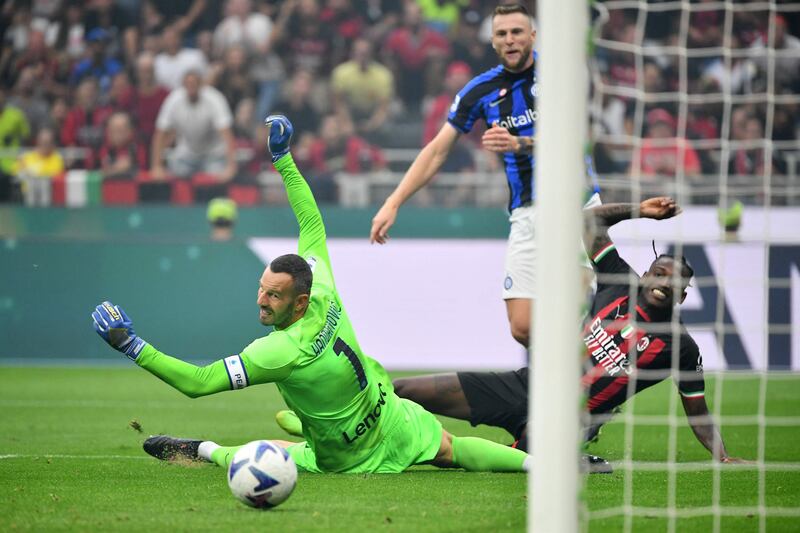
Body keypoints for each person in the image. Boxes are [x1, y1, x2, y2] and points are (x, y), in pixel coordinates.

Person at [92, 115, 532, 475]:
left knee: (258, 456)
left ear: (298, 303)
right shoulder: (320, 283)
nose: (262, 300)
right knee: (450, 449)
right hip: (387, 413)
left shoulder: (278, 351)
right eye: (262, 289)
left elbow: (197, 383)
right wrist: (282, 158)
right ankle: (541, 466)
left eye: (273, 296)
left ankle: (203, 449)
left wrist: (131, 345)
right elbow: (311, 222)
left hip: (346, 455)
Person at [384, 197, 745, 465]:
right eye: (659, 272)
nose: (664, 283)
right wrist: (641, 210)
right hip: (526, 386)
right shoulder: (620, 281)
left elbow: (697, 409)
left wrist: (724, 456)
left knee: (499, 462)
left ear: (683, 295)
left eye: (675, 281)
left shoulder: (681, 347)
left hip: (566, 420)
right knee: (402, 389)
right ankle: (366, 430)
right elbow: (586, 220)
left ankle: (569, 458)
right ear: (647, 272)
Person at [372, 4, 544, 348]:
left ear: (532, 36)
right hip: (526, 211)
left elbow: (576, 139)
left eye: (516, 32)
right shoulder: (479, 91)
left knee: (576, 308)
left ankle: (597, 389)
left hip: (574, 204)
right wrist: (393, 202)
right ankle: (589, 375)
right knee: (523, 327)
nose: (510, 40)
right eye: (501, 34)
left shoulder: (559, 75)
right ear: (493, 42)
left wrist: (520, 142)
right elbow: (437, 150)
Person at [150, 70, 237, 182]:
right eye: (188, 84)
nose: (191, 87)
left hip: (213, 156)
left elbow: (227, 134)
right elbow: (160, 134)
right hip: (185, 156)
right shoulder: (173, 100)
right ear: (183, 85)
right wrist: (157, 166)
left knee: (215, 184)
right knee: (175, 181)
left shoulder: (215, 99)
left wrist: (231, 167)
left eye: (194, 83)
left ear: (201, 85)